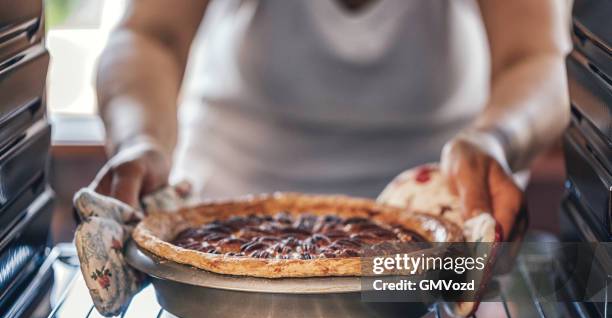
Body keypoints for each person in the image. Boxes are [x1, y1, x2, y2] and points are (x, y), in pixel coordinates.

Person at [93, 0, 571, 242]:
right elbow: (147, 36)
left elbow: (535, 59)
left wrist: (495, 139)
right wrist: (142, 140)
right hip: (227, 231)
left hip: (430, 247)